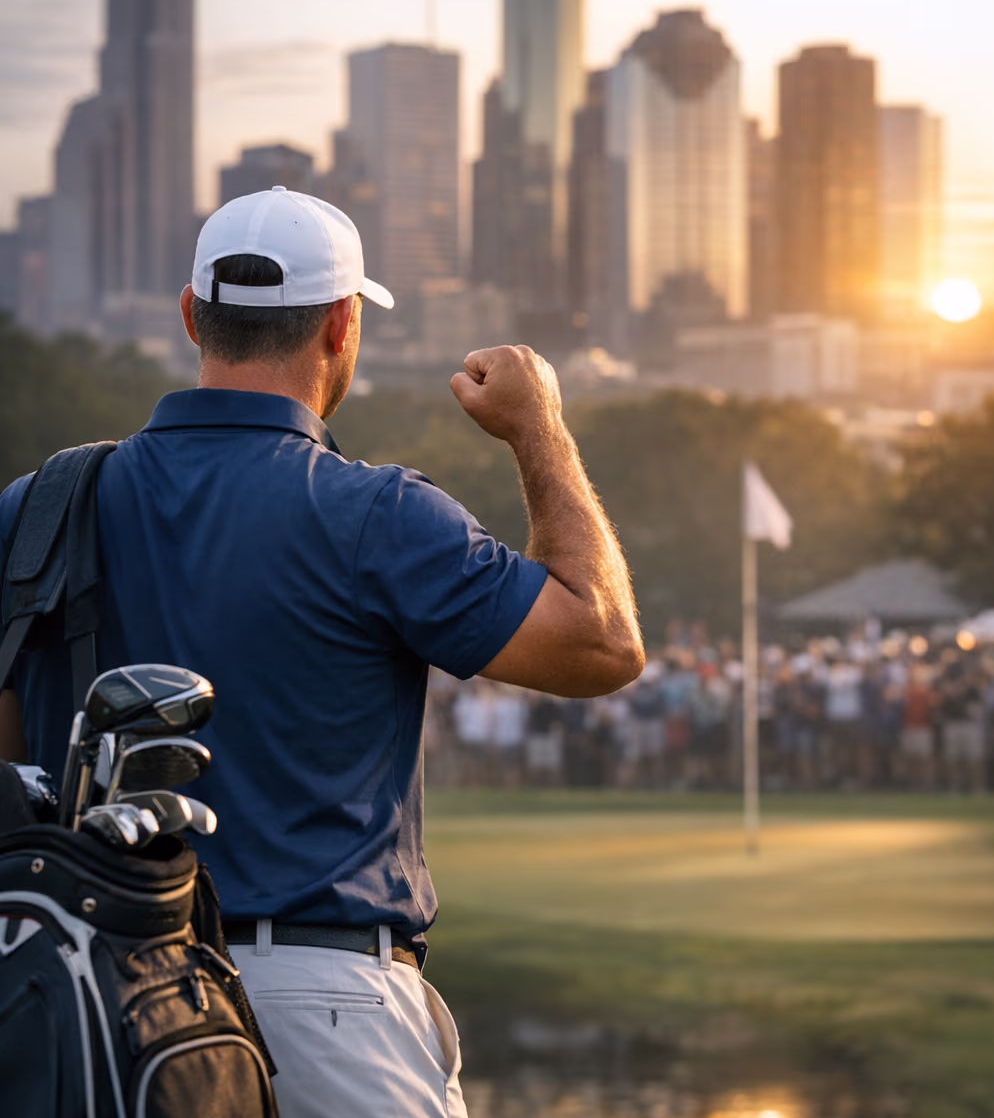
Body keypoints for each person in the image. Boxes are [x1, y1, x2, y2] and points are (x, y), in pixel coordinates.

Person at [0, 188, 644, 1118]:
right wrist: (539, 426)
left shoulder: (37, 507)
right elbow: (603, 641)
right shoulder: (379, 514)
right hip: (323, 1006)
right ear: (343, 326)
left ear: (192, 315)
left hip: (82, 997)